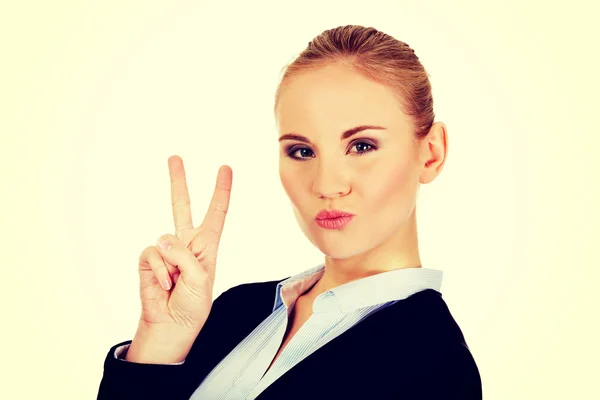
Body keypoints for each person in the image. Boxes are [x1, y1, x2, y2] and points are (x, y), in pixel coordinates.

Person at [97, 24, 482, 399]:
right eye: (302, 151)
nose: (326, 185)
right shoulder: (235, 309)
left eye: (362, 146)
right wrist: (159, 344)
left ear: (431, 152)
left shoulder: (437, 368)